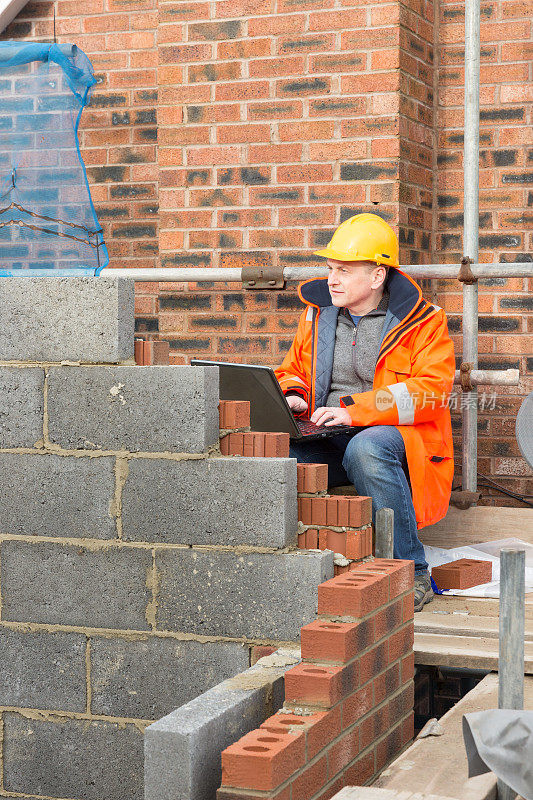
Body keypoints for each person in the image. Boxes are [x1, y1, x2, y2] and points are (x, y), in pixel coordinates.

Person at [275, 213, 455, 612]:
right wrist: (293, 396)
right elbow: (293, 369)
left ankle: (413, 572)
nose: (332, 279)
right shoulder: (318, 316)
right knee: (274, 455)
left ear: (376, 277)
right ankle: (299, 566)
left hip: (398, 442)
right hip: (330, 435)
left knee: (367, 448)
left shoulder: (424, 323)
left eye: (343, 270)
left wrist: (354, 412)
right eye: (329, 269)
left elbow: (431, 393)